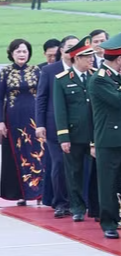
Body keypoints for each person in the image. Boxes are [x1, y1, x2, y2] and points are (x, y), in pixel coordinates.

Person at [90, 33, 121, 239]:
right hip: (108, 140)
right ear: (119, 59)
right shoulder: (99, 80)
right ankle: (109, 222)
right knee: (107, 184)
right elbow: (119, 100)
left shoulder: (115, 78)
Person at [53, 36, 97, 222]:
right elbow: (60, 110)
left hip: (95, 134)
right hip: (74, 134)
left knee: (97, 173)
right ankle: (77, 207)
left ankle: (96, 207)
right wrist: (64, 137)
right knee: (74, 173)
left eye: (92, 56)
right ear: (77, 58)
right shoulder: (62, 80)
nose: (91, 60)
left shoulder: (96, 76)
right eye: (87, 56)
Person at [37, 35, 78, 217]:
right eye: (69, 46)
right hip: (54, 125)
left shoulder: (82, 70)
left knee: (76, 165)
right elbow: (42, 98)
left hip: (77, 125)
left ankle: (76, 202)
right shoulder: (49, 70)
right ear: (61, 50)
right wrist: (40, 124)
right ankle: (60, 202)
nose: (72, 50)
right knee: (59, 163)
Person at [0, 39, 45, 205]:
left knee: (37, 153)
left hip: (34, 118)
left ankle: (40, 192)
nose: (21, 54)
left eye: (24, 51)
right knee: (16, 153)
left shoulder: (36, 71)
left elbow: (43, 96)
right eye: (18, 51)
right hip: (13, 120)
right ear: (12, 54)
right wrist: (0, 122)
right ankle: (21, 193)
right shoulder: (5, 72)